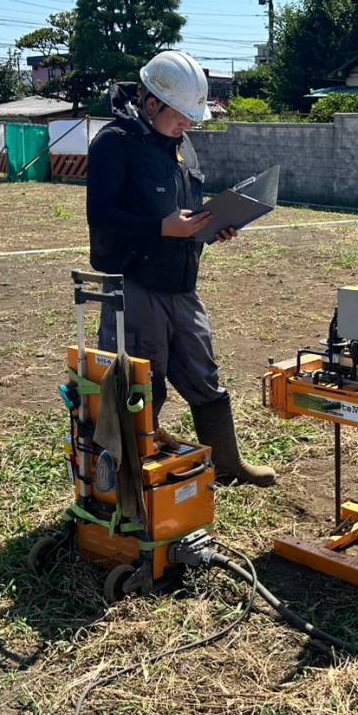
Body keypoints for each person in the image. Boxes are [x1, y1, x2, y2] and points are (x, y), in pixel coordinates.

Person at [86, 49, 276, 488]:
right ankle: (132, 481)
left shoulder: (180, 146)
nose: (188, 124)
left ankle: (228, 464)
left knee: (202, 372)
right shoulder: (115, 143)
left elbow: (185, 213)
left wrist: (212, 226)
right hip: (136, 284)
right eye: (181, 115)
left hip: (182, 282)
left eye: (192, 117)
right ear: (151, 102)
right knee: (140, 382)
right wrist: (159, 228)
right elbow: (101, 216)